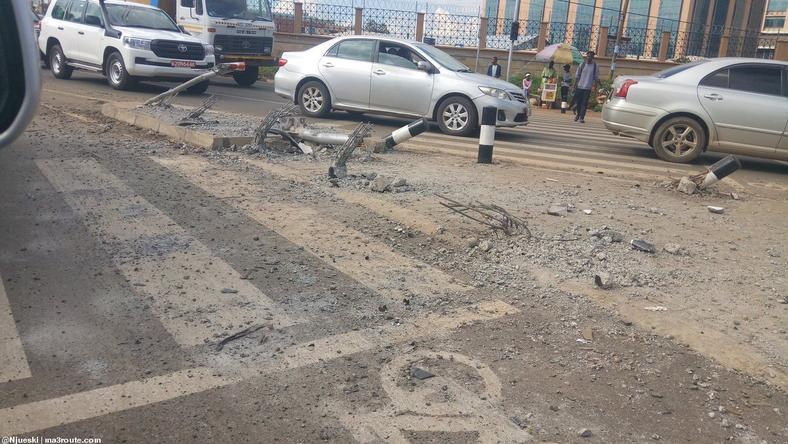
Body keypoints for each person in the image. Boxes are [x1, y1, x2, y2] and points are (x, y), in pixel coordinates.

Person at [573, 51, 599, 123]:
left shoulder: (595, 66)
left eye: (590, 56)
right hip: (580, 86)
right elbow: (577, 76)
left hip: (588, 88)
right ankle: (578, 115)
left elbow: (596, 78)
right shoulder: (582, 65)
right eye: (587, 56)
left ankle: (581, 117)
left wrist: (595, 87)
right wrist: (574, 86)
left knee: (584, 103)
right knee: (578, 102)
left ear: (593, 57)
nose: (588, 58)